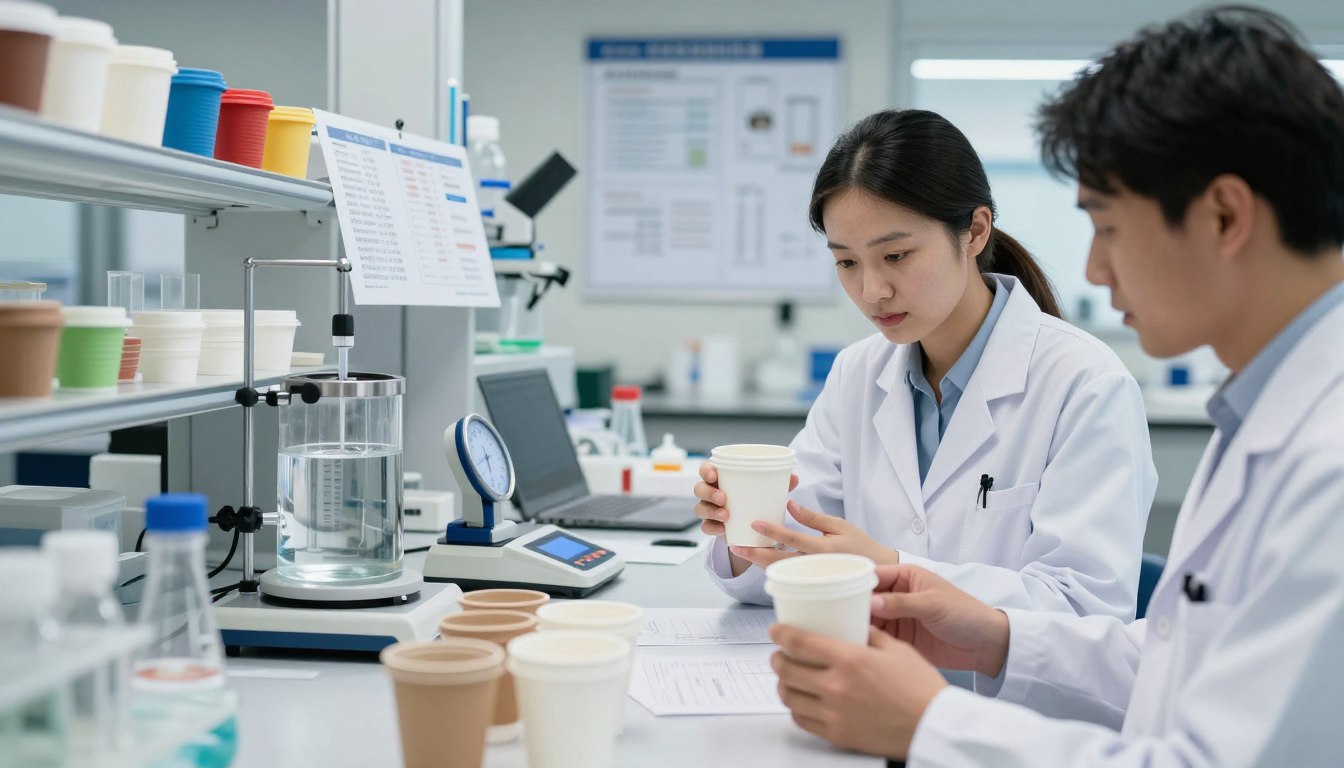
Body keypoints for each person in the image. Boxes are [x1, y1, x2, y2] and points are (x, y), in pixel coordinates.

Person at [769, 7, 1344, 766]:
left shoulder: (1325, 461)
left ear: (1225, 215)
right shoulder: (1266, 413)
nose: (1095, 272)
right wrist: (997, 632)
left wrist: (930, 724)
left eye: (1107, 227)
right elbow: (1178, 664)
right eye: (847, 262)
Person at [696, 108, 1157, 620]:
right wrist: (744, 529)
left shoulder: (1084, 384)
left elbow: (1083, 610)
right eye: (847, 262)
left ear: (976, 231)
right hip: (870, 680)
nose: (872, 291)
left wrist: (889, 567)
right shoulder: (858, 374)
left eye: (896, 256)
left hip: (1005, 699)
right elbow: (789, 560)